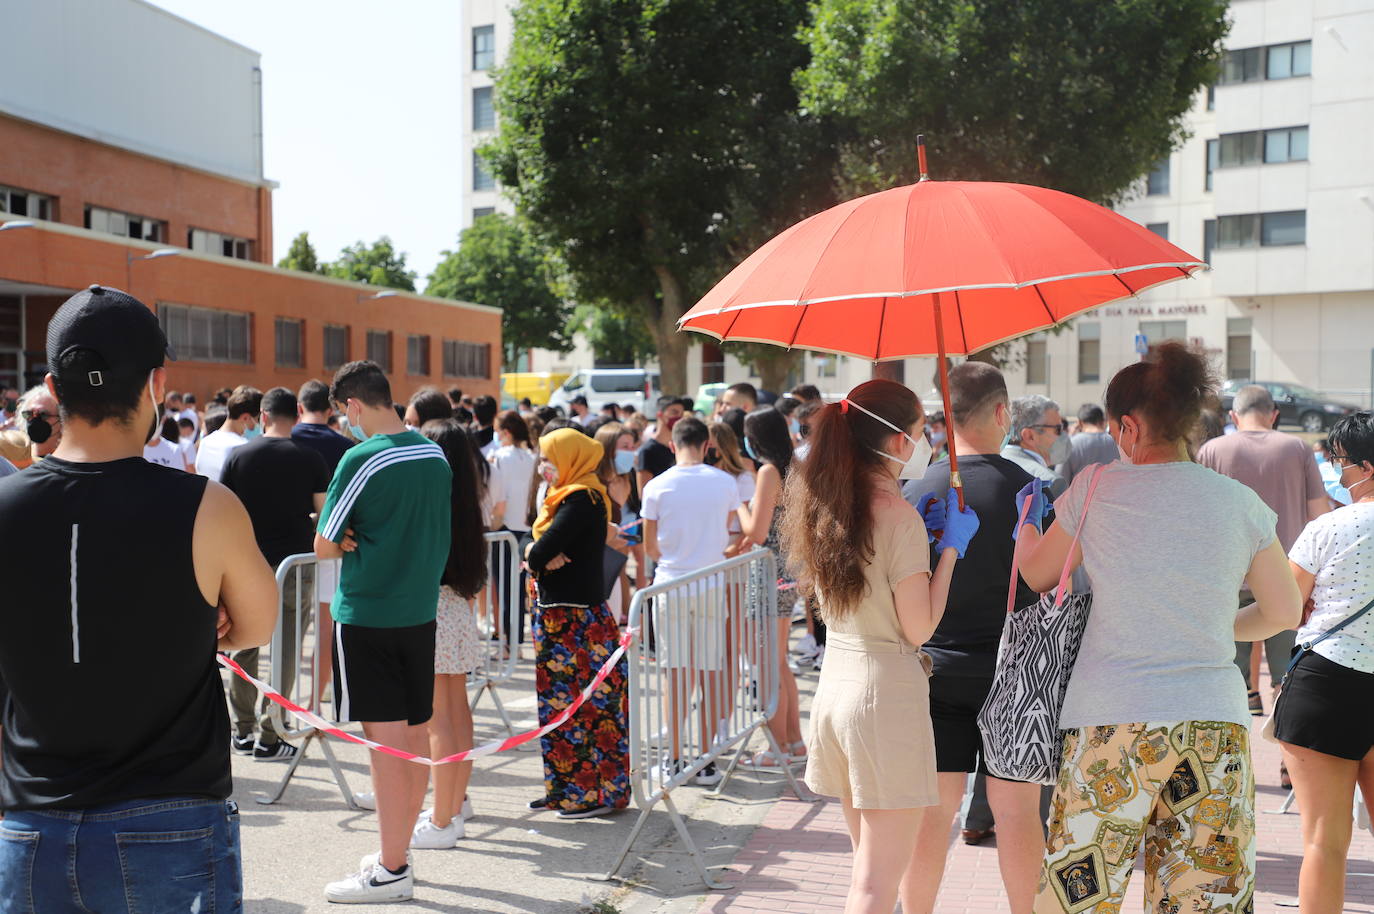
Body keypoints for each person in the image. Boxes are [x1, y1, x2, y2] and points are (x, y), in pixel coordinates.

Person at [0, 284, 278, 910]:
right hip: (170, 815)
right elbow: (258, 626)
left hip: (31, 821)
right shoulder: (207, 506)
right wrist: (207, 622)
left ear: (53, 384)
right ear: (155, 383)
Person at [1014, 342, 1301, 914]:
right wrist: (1223, 628)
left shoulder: (1094, 488)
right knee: (1202, 899)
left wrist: (1025, 524)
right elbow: (1284, 611)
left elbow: (1039, 574)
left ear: (1127, 425)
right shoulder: (1238, 503)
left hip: (1108, 722)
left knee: (1080, 897)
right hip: (1211, 723)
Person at [784, 379, 977, 914]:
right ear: (897, 442)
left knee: (867, 870)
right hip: (883, 697)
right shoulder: (898, 516)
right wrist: (950, 554)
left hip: (837, 689)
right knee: (874, 886)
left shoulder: (826, 503)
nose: (928, 441)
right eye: (921, 431)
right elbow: (920, 628)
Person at [902, 362, 1046, 914]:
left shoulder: (919, 489)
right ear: (1003, 413)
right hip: (1015, 671)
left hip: (935, 667)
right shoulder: (1031, 491)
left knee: (934, 814)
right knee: (1016, 813)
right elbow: (1051, 582)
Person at [314, 360, 452, 902]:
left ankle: (392, 867)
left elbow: (325, 542)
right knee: (413, 740)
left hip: (369, 613)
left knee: (387, 748)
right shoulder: (433, 453)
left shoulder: (361, 457)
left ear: (351, 405)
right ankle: (398, 852)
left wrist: (342, 533)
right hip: (419, 611)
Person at [1275, 412, 1374, 913]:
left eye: (1340, 461)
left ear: (1368, 467)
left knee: (1323, 841)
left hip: (1325, 681)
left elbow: (1287, 605)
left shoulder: (1328, 528)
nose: (1336, 470)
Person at [1198, 384, 1328, 718]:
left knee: (1229, 665)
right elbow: (1320, 514)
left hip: (1228, 571)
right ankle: (1287, 752)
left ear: (1233, 415)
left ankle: (1243, 715)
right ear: (1273, 414)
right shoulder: (1297, 448)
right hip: (1289, 573)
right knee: (1288, 669)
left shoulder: (1213, 449)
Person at [524, 428, 631, 818]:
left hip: (576, 625)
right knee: (559, 708)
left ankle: (591, 794)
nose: (543, 466)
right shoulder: (563, 499)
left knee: (584, 709)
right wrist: (536, 550)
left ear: (570, 458)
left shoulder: (581, 499)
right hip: (562, 621)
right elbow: (534, 544)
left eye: (548, 458)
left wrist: (537, 552)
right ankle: (563, 788)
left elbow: (541, 550)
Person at [220, 387, 330, 761]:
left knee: (244, 645)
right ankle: (271, 733)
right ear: (297, 414)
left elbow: (223, 513)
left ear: (262, 416)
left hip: (247, 564)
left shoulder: (238, 456)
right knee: (286, 648)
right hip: (294, 564)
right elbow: (323, 515)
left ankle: (243, 729)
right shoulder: (310, 458)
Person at [642, 417, 741, 786]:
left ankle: (675, 757)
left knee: (675, 673)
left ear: (672, 445)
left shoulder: (657, 485)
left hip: (672, 582)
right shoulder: (724, 482)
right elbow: (729, 529)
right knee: (710, 670)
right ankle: (706, 758)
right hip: (711, 581)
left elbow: (650, 546)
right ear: (706, 445)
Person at [409, 419, 489, 848]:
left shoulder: (434, 500)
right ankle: (451, 807)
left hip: (435, 608)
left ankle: (443, 819)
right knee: (457, 713)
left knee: (440, 719)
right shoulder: (466, 500)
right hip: (457, 609)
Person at [735, 407, 805, 768]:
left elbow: (756, 532)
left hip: (768, 570)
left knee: (767, 664)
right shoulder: (795, 467)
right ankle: (793, 743)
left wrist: (739, 506)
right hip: (786, 569)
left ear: (755, 438)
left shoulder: (768, 471)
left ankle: (777, 747)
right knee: (777, 662)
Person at [1000, 394, 1069, 498]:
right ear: (1029, 436)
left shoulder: (989, 465)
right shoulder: (1051, 482)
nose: (1063, 435)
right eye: (1058, 429)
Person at [194, 385, 262, 481]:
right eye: (257, 419)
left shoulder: (205, 442)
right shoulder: (242, 447)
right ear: (245, 418)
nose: (257, 425)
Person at [1056, 402, 1119, 486]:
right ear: (1102, 422)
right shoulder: (1117, 442)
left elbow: (1061, 480)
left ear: (1080, 422)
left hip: (1080, 498)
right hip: (1112, 496)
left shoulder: (1070, 444)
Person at [635, 395, 684, 493]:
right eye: (674, 412)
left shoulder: (682, 447)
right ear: (660, 415)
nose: (679, 417)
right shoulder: (647, 451)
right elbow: (644, 492)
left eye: (681, 414)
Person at [17, 383, 63, 460]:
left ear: (61, 419)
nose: (34, 419)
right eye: (28, 414)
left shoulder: (68, 459)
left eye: (43, 414)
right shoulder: (18, 456)